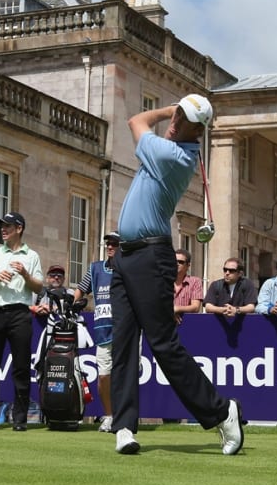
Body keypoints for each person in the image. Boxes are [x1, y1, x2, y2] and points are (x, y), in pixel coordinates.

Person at [110, 94, 243, 456]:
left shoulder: (174, 156)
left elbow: (135, 120)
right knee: (121, 342)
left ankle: (221, 411)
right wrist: (178, 112)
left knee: (162, 344)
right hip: (125, 256)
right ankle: (124, 426)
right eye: (176, 114)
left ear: (197, 130)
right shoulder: (169, 147)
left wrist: (169, 109)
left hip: (152, 256)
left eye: (183, 119)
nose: (174, 121)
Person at [0, 211, 44, 432]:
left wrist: (25, 274)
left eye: (7, 226)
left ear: (19, 229)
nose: (3, 229)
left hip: (20, 313)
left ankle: (20, 419)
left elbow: (38, 287)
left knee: (21, 367)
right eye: (1, 226)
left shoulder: (31, 256)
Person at [74, 232, 119, 433]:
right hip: (102, 331)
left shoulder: (128, 270)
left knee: (126, 377)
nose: (110, 247)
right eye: (108, 243)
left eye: (115, 244)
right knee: (103, 377)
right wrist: (75, 304)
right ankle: (109, 416)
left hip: (125, 331)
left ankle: (123, 415)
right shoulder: (95, 269)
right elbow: (81, 289)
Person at [173, 248, 204, 322]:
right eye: (174, 261)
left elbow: (195, 307)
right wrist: (171, 312)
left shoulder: (195, 282)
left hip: (188, 324)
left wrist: (176, 309)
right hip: (166, 324)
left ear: (188, 265)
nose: (176, 264)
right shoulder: (164, 281)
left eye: (180, 262)